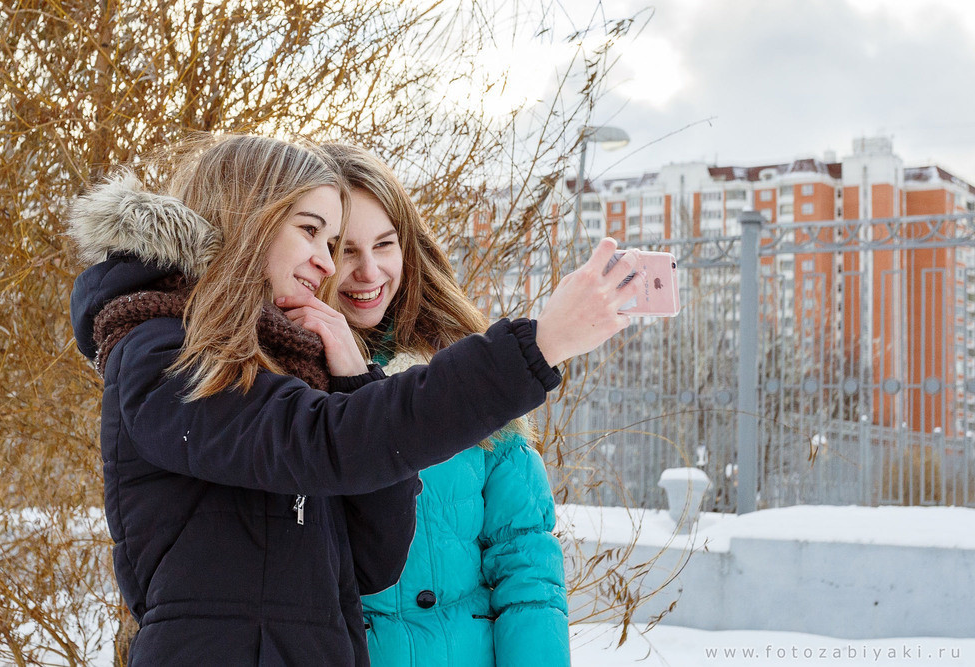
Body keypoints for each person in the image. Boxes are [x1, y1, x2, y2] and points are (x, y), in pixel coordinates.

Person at [67, 134, 646, 666]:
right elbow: (327, 441)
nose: (325, 261)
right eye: (312, 232)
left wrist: (351, 378)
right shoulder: (164, 353)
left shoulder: (285, 363)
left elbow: (374, 559)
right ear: (248, 219)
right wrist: (540, 343)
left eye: (331, 239)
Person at [286, 143, 570, 666]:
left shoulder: (466, 374)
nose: (369, 272)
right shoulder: (279, 386)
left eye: (385, 244)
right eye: (345, 250)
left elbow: (524, 559)